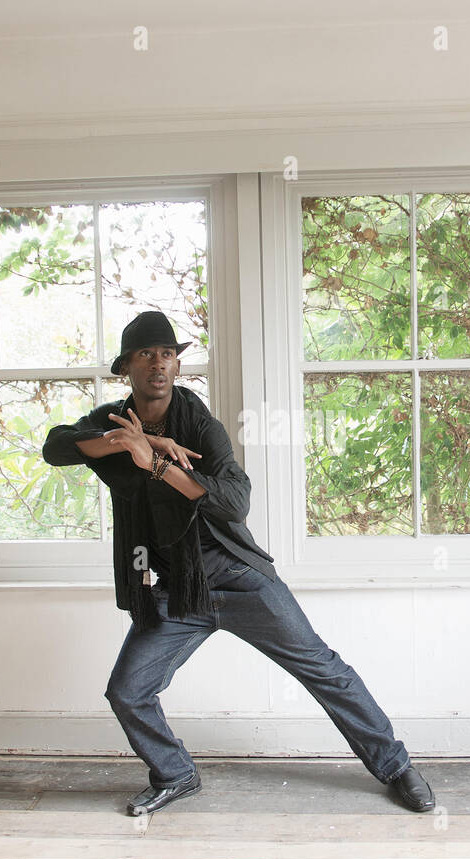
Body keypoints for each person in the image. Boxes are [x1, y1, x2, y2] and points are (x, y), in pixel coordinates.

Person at [42, 310, 435, 816]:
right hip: (178, 589)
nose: (158, 364)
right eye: (146, 355)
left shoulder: (201, 424)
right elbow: (56, 447)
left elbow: (234, 502)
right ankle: (175, 774)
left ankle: (396, 767)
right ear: (127, 368)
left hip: (235, 574)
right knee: (127, 691)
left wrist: (158, 463)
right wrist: (129, 441)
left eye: (167, 354)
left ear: (177, 368)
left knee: (323, 669)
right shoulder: (113, 421)